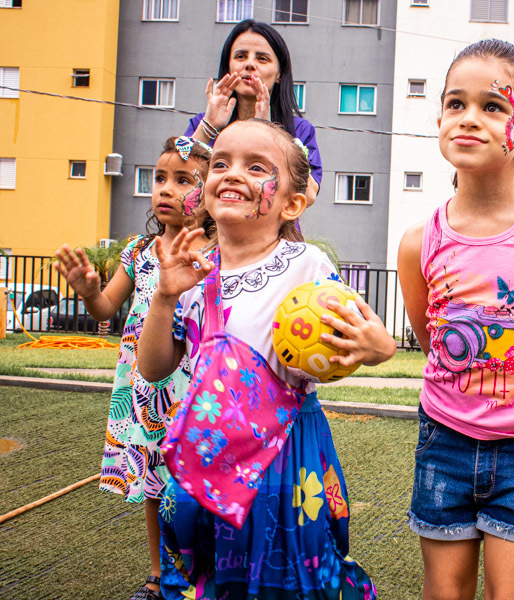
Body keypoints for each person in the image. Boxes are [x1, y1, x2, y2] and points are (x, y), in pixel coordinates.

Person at [138, 118, 396, 599]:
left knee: (289, 567)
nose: (232, 173)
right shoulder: (192, 269)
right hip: (208, 448)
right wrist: (164, 298)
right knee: (210, 567)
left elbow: (365, 337)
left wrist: (378, 349)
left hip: (287, 453)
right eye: (221, 163)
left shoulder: (306, 266)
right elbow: (154, 368)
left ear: (292, 203)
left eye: (256, 166)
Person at [397, 39, 514, 600]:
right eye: (456, 104)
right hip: (444, 439)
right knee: (445, 591)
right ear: (438, 121)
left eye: (493, 106)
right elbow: (429, 334)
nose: (469, 119)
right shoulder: (419, 242)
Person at [55, 136, 211, 600]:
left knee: (192, 483)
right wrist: (87, 289)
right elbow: (105, 309)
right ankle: (159, 575)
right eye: (160, 177)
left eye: (183, 180)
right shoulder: (138, 250)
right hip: (141, 385)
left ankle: (202, 574)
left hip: (192, 386)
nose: (165, 188)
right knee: (151, 482)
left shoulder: (217, 251)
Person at [185, 19, 322, 206]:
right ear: (228, 67)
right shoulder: (201, 123)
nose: (249, 65)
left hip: (273, 234)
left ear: (279, 74)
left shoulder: (300, 130)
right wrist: (208, 126)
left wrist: (267, 133)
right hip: (211, 232)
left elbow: (309, 195)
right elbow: (179, 181)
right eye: (240, 56)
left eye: (262, 59)